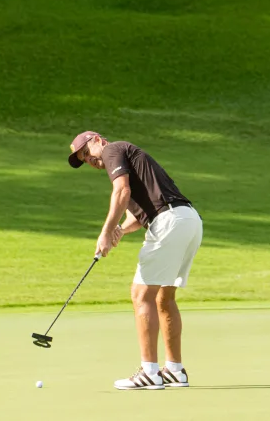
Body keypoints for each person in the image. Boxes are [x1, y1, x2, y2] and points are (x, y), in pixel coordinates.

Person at [68, 131, 203, 390]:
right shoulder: (131, 162)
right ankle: (174, 370)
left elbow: (121, 190)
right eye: (83, 160)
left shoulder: (112, 149)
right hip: (189, 221)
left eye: (86, 152)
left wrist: (106, 231)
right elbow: (141, 214)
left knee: (141, 295)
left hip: (170, 222)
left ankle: (150, 372)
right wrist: (120, 229)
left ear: (98, 140)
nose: (89, 160)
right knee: (164, 297)